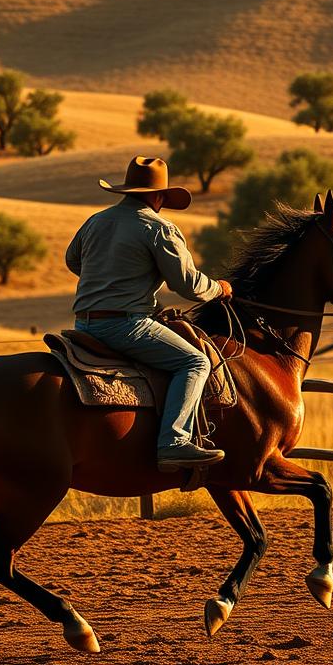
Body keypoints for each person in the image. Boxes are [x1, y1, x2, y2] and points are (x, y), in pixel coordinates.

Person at [65, 156, 234, 471]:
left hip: (83, 324)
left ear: (127, 190)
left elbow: (74, 261)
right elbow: (188, 285)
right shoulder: (159, 228)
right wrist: (220, 289)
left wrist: (114, 281)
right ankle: (174, 442)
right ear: (158, 196)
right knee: (195, 362)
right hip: (126, 326)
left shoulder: (96, 221)